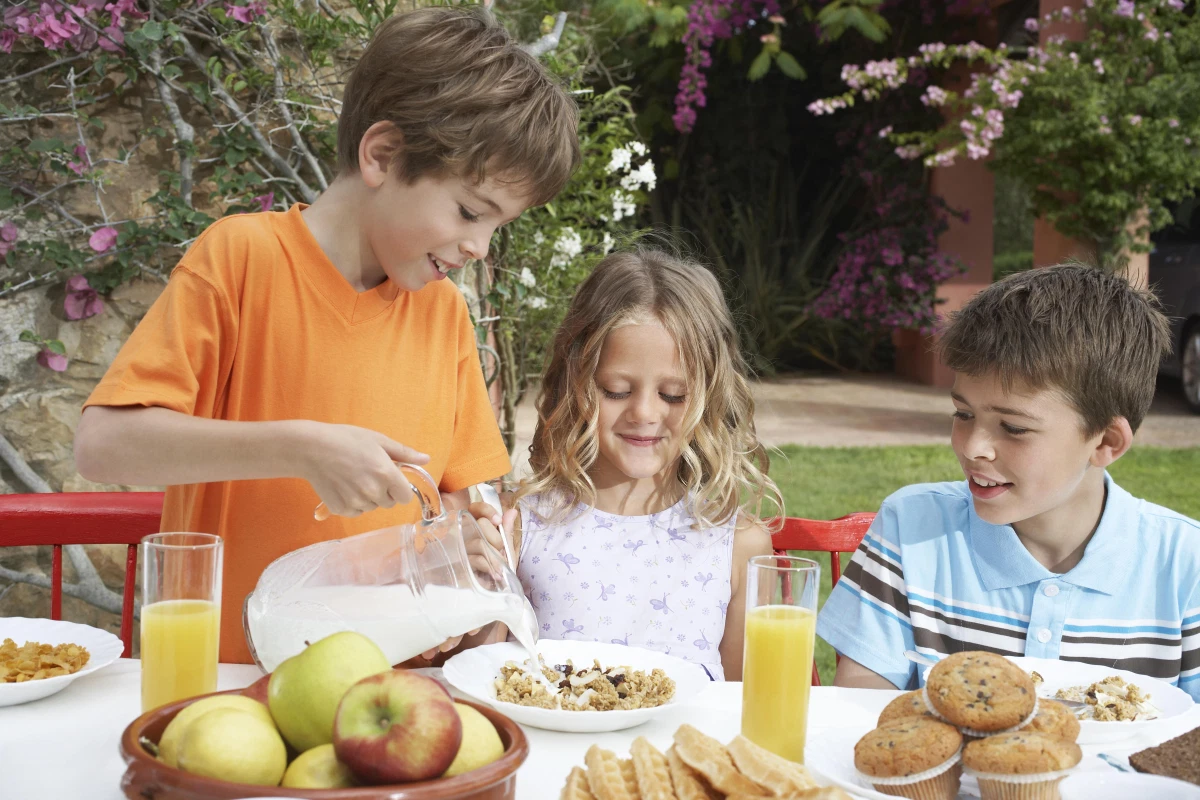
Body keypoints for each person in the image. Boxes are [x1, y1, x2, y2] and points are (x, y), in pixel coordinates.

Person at [72, 7, 580, 664]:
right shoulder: (240, 260)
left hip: (395, 696)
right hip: (234, 688)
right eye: (469, 212)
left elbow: (465, 501)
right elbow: (104, 446)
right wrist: (302, 448)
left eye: (497, 226)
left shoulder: (443, 313)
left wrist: (478, 543)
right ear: (383, 155)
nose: (480, 247)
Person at [818, 264, 1200, 701]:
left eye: (1014, 428)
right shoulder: (913, 527)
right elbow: (857, 712)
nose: (973, 446)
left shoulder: (1185, 566)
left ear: (1106, 442)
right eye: (964, 415)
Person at [484, 246, 783, 681]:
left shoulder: (740, 545)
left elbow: (742, 704)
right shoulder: (517, 527)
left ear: (709, 396)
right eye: (617, 391)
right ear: (574, 385)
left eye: (674, 395)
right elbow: (483, 676)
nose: (644, 412)